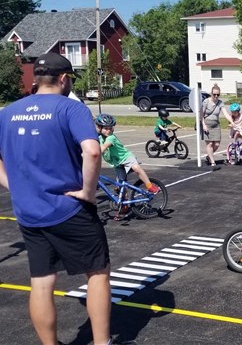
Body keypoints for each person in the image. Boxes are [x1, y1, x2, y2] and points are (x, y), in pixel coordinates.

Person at [0, 52, 111, 345]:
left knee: (42, 280)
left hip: (29, 211)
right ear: (64, 79)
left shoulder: (8, 112)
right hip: (69, 208)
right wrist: (88, 192)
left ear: (36, 79)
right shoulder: (70, 109)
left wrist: (15, 187)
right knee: (97, 272)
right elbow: (93, 151)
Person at [95, 113, 160, 219]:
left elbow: (102, 148)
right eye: (106, 128)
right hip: (118, 164)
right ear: (99, 128)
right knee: (121, 187)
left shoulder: (111, 138)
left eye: (110, 128)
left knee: (136, 168)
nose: (109, 130)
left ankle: (150, 186)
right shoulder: (98, 138)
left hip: (126, 158)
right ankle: (124, 207)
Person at [201, 84, 233, 171]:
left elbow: (225, 113)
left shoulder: (220, 103)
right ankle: (212, 161)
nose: (216, 96)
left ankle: (209, 156)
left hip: (216, 124)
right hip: (207, 124)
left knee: (217, 144)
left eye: (218, 95)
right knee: (210, 144)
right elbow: (201, 114)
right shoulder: (206, 102)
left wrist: (232, 121)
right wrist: (203, 124)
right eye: (214, 94)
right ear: (211, 93)